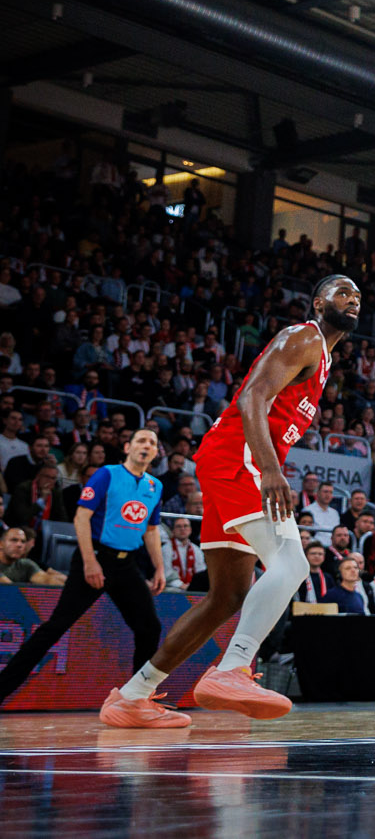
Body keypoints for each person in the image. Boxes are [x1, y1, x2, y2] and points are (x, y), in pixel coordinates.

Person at [102, 277, 357, 727]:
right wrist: (272, 469)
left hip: (234, 461)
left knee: (227, 596)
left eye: (357, 297)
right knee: (292, 563)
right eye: (342, 293)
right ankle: (234, 666)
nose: (352, 300)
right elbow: (251, 396)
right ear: (319, 303)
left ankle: (130, 697)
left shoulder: (324, 359)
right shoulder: (304, 337)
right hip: (238, 459)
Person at [0, 430, 170, 716]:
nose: (147, 446)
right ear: (127, 447)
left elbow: (151, 530)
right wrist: (90, 562)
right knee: (55, 627)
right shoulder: (107, 474)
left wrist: (160, 568)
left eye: (153, 442)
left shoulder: (155, 485)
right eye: (141, 440)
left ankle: (136, 699)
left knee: (149, 628)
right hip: (95, 556)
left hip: (127, 564)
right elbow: (81, 517)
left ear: (155, 453)